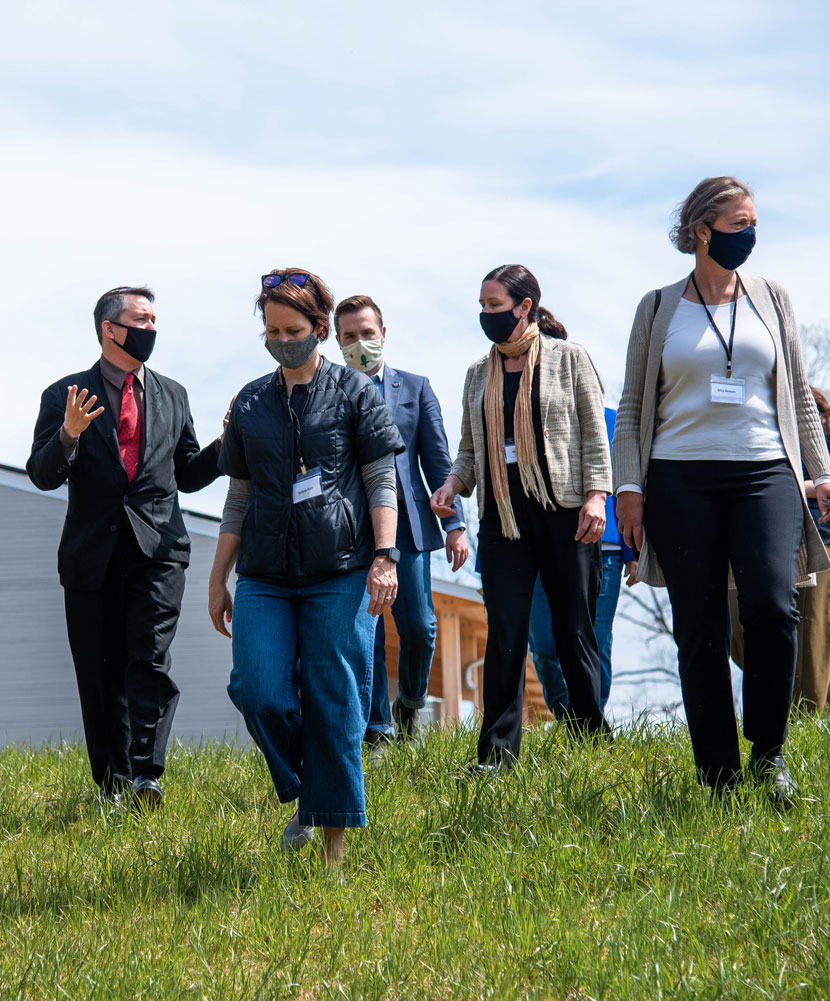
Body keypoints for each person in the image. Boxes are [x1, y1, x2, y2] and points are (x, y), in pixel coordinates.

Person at [612, 176, 830, 799]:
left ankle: (769, 755)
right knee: (700, 626)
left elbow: (796, 389)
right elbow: (634, 402)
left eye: (755, 223)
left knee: (773, 606)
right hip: (679, 477)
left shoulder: (772, 298)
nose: (752, 235)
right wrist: (627, 488)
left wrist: (819, 470)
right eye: (740, 224)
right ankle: (718, 772)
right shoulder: (657, 307)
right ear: (701, 232)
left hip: (765, 470)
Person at [209, 268, 404, 869]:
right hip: (265, 574)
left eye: (293, 329)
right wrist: (219, 577)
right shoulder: (249, 401)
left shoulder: (355, 392)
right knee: (257, 689)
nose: (282, 339)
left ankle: (333, 853)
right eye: (271, 330)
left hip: (341, 570)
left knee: (335, 699)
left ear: (320, 329)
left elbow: (380, 480)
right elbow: (238, 495)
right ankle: (311, 791)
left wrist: (384, 556)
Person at [27, 286, 224, 808]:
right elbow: (42, 475)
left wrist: (226, 447)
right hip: (92, 558)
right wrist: (68, 435)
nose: (151, 329)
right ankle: (112, 784)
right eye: (141, 319)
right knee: (99, 674)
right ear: (109, 329)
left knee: (149, 659)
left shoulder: (174, 395)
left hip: (158, 551)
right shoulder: (63, 395)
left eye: (155, 319)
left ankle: (146, 775)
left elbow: (187, 473)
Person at [429, 265, 613, 773]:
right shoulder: (476, 374)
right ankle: (496, 754)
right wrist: (452, 484)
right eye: (482, 305)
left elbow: (595, 437)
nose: (486, 314)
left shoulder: (569, 360)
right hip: (503, 519)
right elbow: (469, 450)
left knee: (573, 628)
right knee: (506, 631)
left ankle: (592, 736)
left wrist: (597, 497)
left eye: (494, 305)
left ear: (524, 306)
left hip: (565, 512)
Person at [334, 294, 470, 744]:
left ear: (383, 334)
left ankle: (409, 703)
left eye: (367, 334)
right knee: (366, 629)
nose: (360, 343)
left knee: (420, 626)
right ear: (337, 341)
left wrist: (454, 526)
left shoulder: (415, 388)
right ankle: (377, 730)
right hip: (350, 530)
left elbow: (437, 461)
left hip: (409, 526)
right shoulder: (327, 391)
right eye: (349, 336)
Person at [729, 386, 830, 711]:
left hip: (815, 535)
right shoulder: (744, 410)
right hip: (753, 536)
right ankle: (773, 712)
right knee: (745, 630)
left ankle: (811, 722)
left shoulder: (820, 419)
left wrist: (789, 486)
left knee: (815, 634)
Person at [527, 406, 637, 719]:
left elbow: (630, 484)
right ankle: (568, 718)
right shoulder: (532, 415)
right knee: (545, 647)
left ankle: (588, 730)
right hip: (543, 548)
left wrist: (633, 552)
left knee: (596, 642)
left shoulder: (615, 420)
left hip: (606, 548)